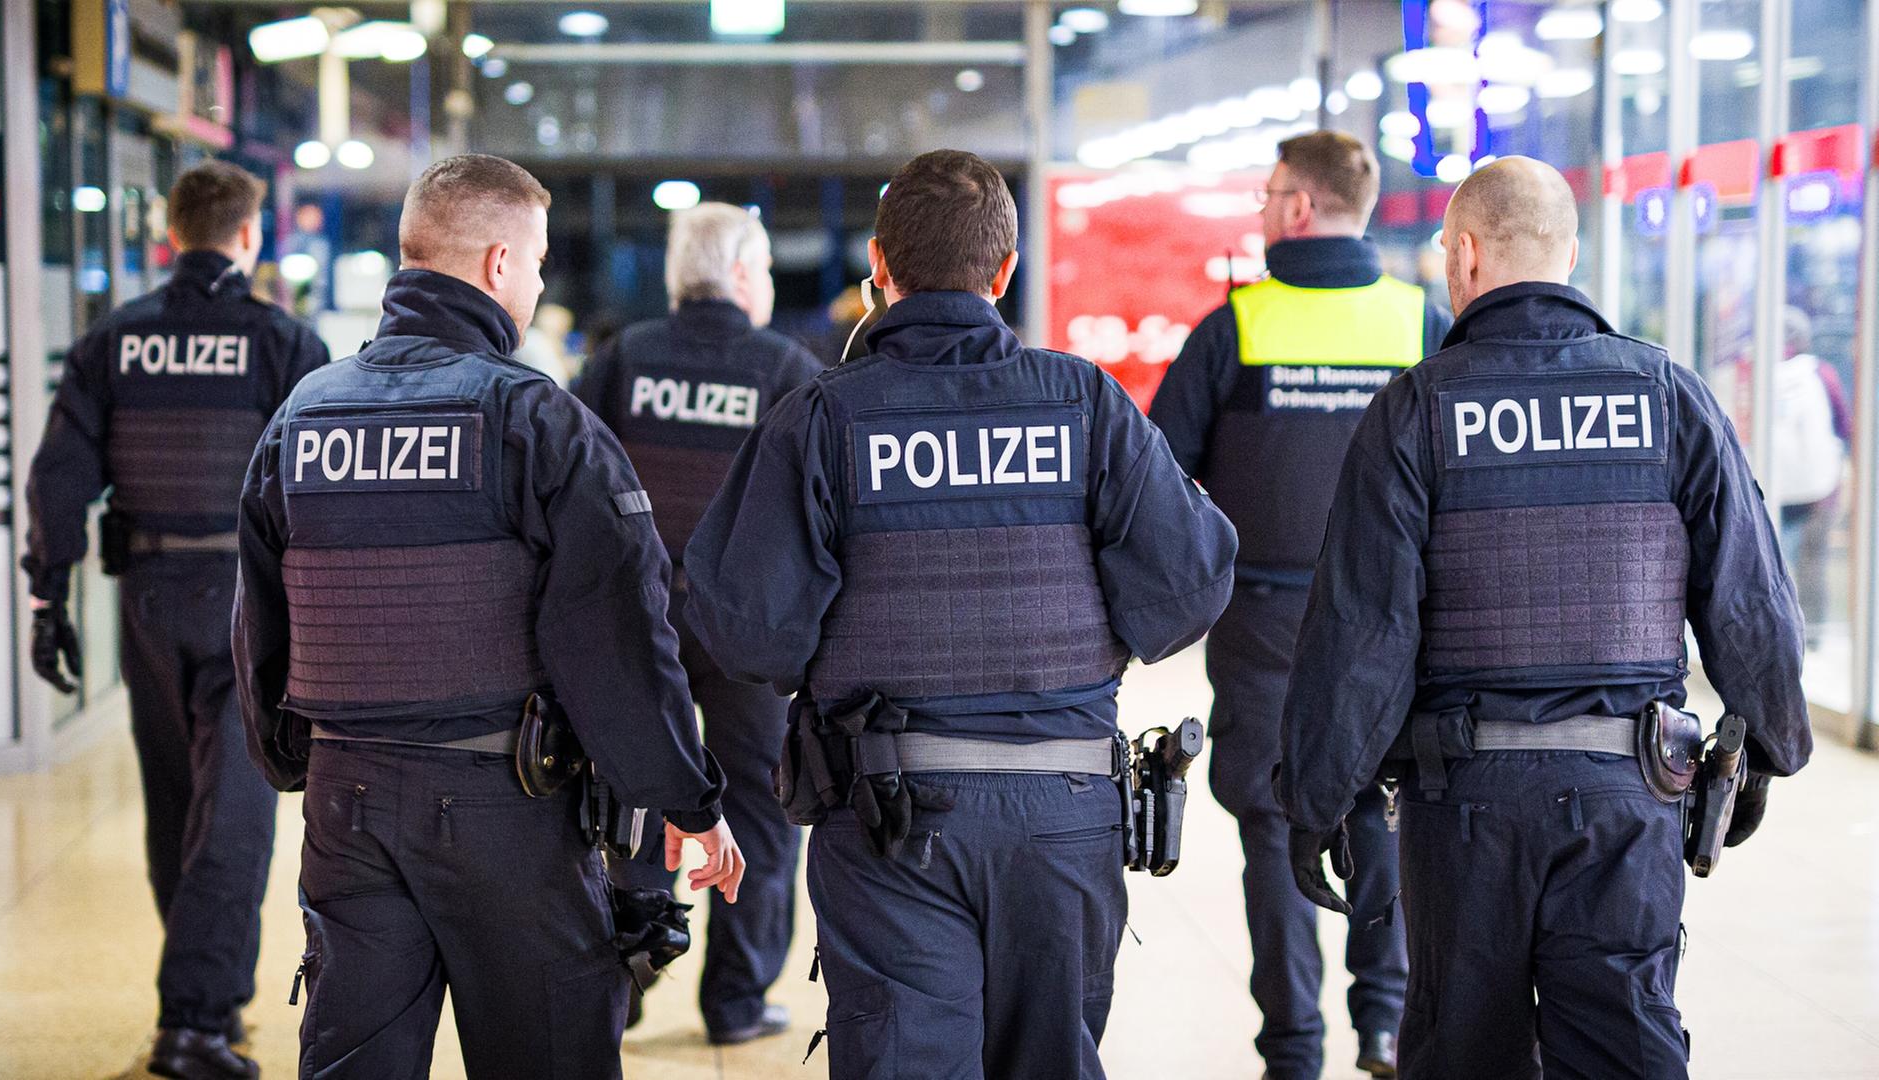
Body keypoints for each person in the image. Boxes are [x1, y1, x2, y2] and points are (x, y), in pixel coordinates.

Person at [682, 149, 1238, 1080]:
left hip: (890, 819)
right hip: (1064, 820)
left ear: (879, 268)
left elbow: (744, 630)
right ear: (1005, 271)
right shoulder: (1084, 402)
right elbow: (1191, 583)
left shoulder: (826, 416)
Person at [1276, 156, 1811, 1080]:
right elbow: (1749, 592)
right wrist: (1770, 742)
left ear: (1468, 255)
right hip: (1629, 794)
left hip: (1466, 803)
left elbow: (1364, 633)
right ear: (1570, 253)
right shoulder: (1667, 395)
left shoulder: (1417, 410)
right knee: (1624, 1044)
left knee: (1463, 1048)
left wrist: (1318, 797)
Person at [232, 154, 745, 1080]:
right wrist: (687, 801)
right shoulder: (533, 420)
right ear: (500, 264)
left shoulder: (303, 415)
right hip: (503, 809)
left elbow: (261, 621)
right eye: (541, 261)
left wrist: (295, 758)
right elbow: (617, 641)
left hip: (345, 803)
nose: (543, 282)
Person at [1148, 130, 1450, 1080]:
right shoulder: (1422, 324)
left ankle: (1293, 1049)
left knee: (1274, 826)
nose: (1262, 210)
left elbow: (1157, 480)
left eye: (1268, 194)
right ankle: (1387, 1025)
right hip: (1394, 625)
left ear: (1300, 208)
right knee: (1385, 805)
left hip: (1265, 620)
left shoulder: (1235, 328)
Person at [22, 159, 326, 1080]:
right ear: (249, 235)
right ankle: (193, 1020)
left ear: (169, 234)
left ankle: (209, 996)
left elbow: (59, 475)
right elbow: (320, 479)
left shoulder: (114, 340)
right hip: (249, 602)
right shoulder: (282, 341)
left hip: (146, 599)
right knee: (236, 815)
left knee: (177, 807)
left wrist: (50, 596)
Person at [573, 202, 823, 1044]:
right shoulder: (786, 369)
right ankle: (737, 1000)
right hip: (746, 631)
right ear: (746, 275)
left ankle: (629, 976)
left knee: (638, 789)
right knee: (759, 802)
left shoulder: (623, 361)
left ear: (682, 276)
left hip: (636, 622)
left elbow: (574, 488)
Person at [1770, 306, 1851, 642]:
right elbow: (1844, 424)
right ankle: (1813, 635)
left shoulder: (1759, 372)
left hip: (1771, 485)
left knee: (1773, 565)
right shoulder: (1822, 373)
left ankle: (1780, 635)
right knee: (1813, 561)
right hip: (1819, 487)